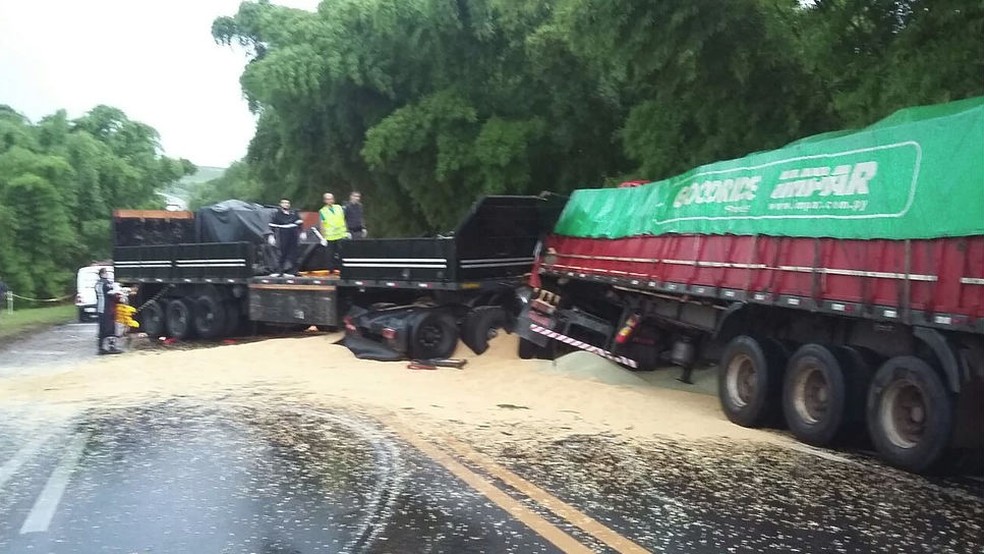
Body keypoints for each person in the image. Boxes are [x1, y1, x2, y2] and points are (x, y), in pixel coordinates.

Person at [268, 198, 303, 277]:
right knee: (282, 253)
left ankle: (292, 272)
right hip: (283, 234)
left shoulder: (294, 213)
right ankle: (279, 271)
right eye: (284, 203)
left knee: (294, 253)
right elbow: (271, 226)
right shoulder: (277, 214)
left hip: (293, 234)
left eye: (287, 203)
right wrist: (271, 236)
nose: (286, 204)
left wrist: (302, 233)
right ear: (280, 204)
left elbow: (300, 224)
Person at [319, 192, 348, 274]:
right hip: (330, 236)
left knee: (342, 253)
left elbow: (343, 219)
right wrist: (323, 237)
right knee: (330, 255)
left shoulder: (339, 208)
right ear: (325, 200)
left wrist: (347, 231)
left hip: (341, 235)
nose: (330, 200)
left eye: (331, 198)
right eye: (328, 199)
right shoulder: (323, 211)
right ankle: (331, 270)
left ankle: (343, 269)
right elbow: (322, 225)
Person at [94, 268, 121, 355]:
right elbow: (112, 295)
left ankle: (100, 348)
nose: (107, 274)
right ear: (102, 274)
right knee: (111, 328)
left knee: (102, 329)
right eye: (106, 273)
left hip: (100, 308)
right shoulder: (107, 283)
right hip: (108, 308)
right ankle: (112, 347)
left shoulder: (97, 284)